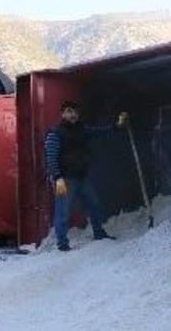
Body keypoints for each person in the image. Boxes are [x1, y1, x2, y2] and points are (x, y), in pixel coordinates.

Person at [44, 101, 128, 251]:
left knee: (95, 206)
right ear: (62, 114)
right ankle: (63, 245)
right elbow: (50, 157)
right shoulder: (55, 133)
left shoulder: (82, 129)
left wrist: (118, 126)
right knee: (63, 212)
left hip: (82, 178)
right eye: (69, 111)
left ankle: (99, 233)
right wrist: (58, 178)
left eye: (75, 111)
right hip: (65, 180)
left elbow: (100, 131)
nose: (73, 114)